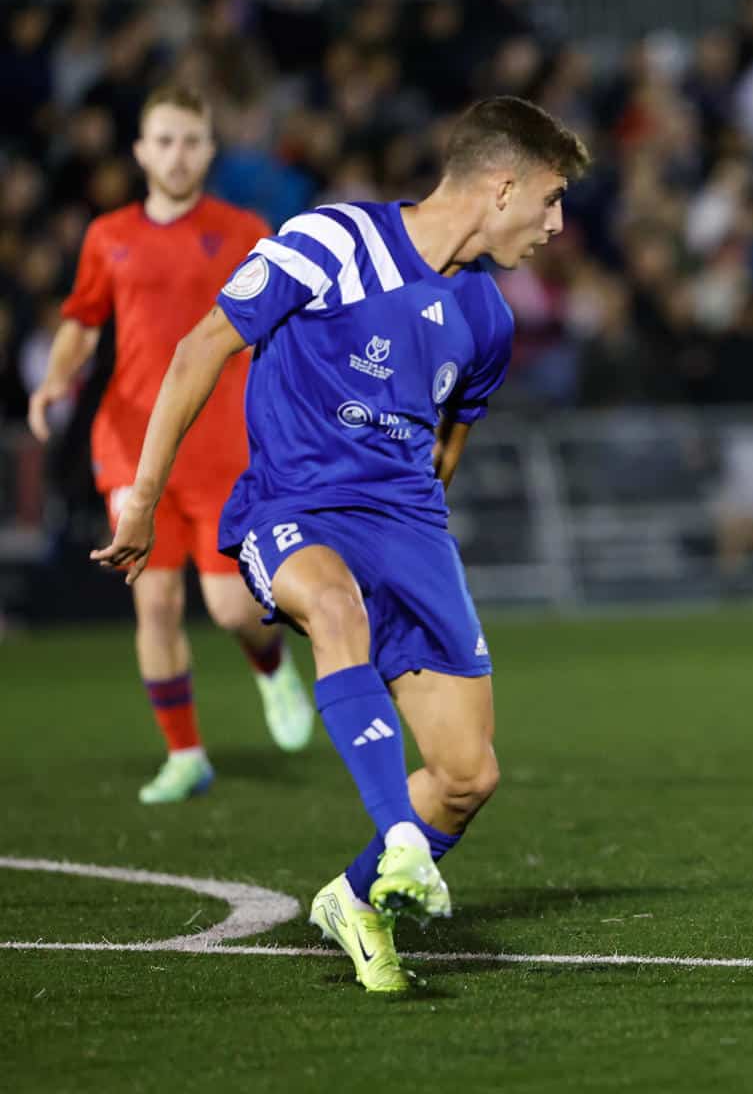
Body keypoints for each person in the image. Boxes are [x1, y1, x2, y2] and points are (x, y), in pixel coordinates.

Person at [92, 96, 590, 992]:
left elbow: (447, 450)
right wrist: (145, 503)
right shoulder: (328, 240)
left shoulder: (490, 320)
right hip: (292, 507)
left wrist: (414, 546)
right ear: (502, 185)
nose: (557, 225)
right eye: (550, 200)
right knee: (332, 603)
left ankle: (355, 900)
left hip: (408, 531)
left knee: (469, 774)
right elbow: (201, 348)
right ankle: (399, 835)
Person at [28, 84, 311, 804]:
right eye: (164, 140)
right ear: (140, 151)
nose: (178, 154)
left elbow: (286, 323)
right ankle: (186, 754)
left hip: (224, 446)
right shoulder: (108, 235)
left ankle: (271, 662)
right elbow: (84, 320)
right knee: (152, 601)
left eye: (191, 140)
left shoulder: (248, 228)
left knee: (231, 609)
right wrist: (56, 378)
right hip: (129, 440)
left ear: (209, 149)